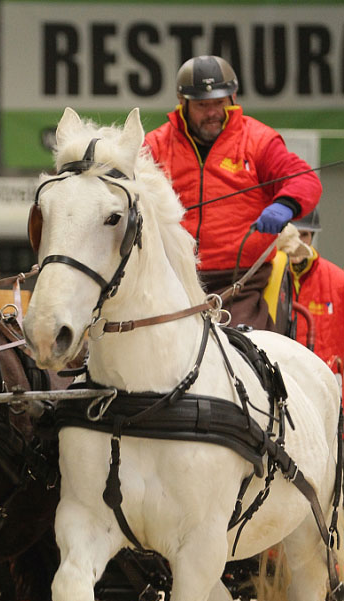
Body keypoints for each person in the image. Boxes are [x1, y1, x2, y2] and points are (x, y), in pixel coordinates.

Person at [144, 55, 322, 331]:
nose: (212, 112)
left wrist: (285, 205)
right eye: (203, 105)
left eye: (220, 102)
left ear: (232, 98)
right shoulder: (155, 145)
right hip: (170, 275)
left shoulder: (258, 140)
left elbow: (305, 180)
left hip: (240, 282)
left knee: (238, 350)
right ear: (183, 102)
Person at [284, 209, 344, 367]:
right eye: (294, 234)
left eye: (304, 235)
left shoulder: (338, 282)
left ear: (312, 236)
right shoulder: (269, 278)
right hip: (281, 378)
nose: (299, 242)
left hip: (325, 381)